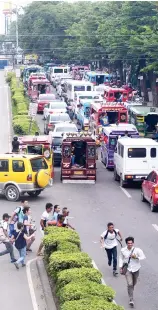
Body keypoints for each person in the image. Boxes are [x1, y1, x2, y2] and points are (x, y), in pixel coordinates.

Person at [119, 236, 145, 307]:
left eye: (131, 243)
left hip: (136, 269)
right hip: (128, 269)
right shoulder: (123, 250)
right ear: (126, 243)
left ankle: (130, 289)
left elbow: (143, 257)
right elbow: (121, 258)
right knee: (130, 284)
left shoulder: (137, 250)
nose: (130, 244)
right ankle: (131, 299)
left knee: (134, 283)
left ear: (133, 243)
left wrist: (136, 257)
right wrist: (120, 267)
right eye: (128, 243)